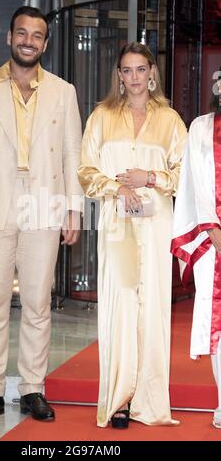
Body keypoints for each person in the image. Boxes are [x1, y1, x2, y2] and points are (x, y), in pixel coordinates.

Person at [0, 6, 82, 423]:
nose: (29, 41)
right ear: (9, 37)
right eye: (22, 33)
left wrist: (74, 208)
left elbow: (73, 154)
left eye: (37, 35)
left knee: (38, 302)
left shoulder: (64, 91)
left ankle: (32, 388)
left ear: (45, 43)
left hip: (44, 202)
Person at [78, 42, 187, 428]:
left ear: (152, 73)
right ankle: (120, 399)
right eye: (127, 70)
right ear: (119, 76)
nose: (135, 77)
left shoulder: (172, 120)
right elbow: (85, 170)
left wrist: (150, 178)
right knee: (120, 306)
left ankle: (149, 400)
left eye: (141, 69)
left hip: (157, 226)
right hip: (118, 224)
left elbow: (184, 175)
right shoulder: (101, 116)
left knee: (154, 308)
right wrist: (115, 186)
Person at [171, 78, 221, 429]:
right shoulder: (201, 128)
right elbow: (195, 182)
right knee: (218, 325)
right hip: (211, 238)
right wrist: (214, 228)